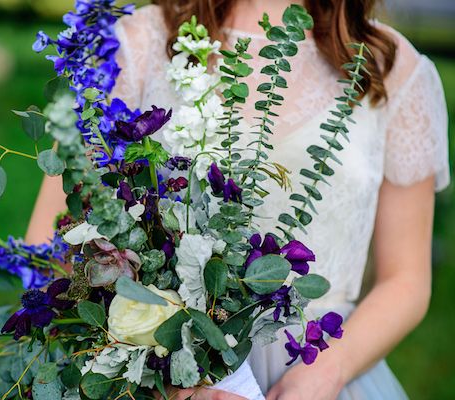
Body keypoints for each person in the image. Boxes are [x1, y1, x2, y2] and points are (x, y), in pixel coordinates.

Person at [26, 0, 450, 398]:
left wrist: (325, 372)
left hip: (318, 373)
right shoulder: (135, 43)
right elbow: (51, 240)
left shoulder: (392, 69)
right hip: (158, 375)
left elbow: (406, 280)